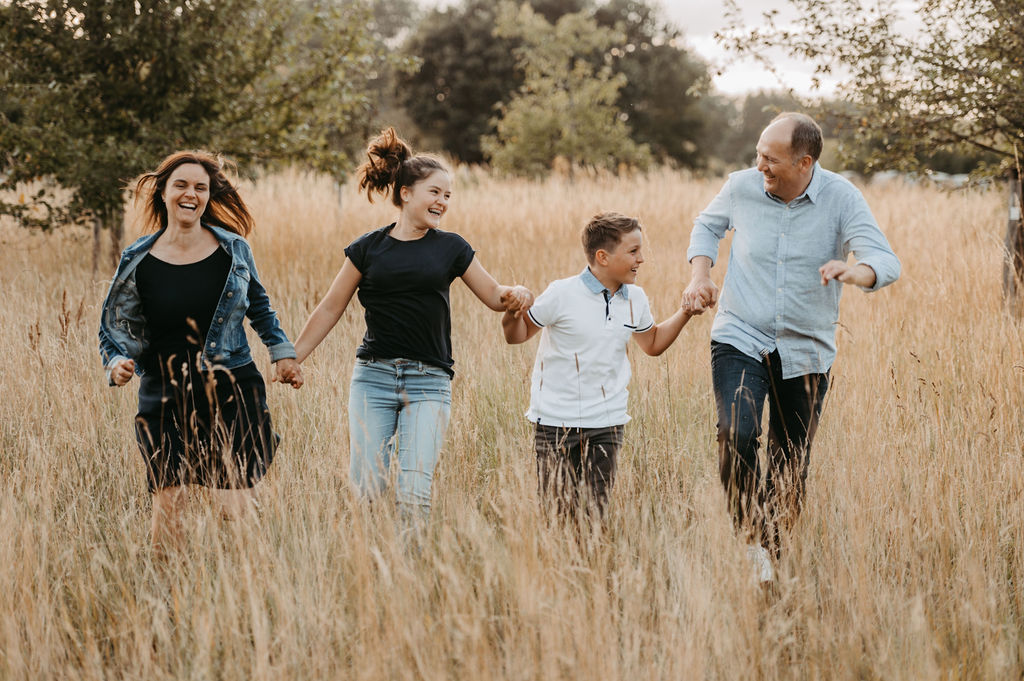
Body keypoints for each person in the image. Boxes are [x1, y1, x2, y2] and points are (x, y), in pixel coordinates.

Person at [682, 112, 900, 582]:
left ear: (805, 162)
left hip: (806, 350)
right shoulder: (741, 186)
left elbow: (884, 260)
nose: (759, 165)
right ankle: (749, 542)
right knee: (736, 433)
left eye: (770, 158)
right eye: (758, 154)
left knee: (790, 464)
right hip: (740, 334)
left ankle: (773, 559)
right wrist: (700, 275)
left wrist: (854, 272)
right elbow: (706, 227)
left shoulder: (841, 197)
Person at [290, 128, 531, 519]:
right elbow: (330, 308)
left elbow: (493, 295)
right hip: (372, 379)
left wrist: (516, 293)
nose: (443, 202)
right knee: (367, 490)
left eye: (448, 196)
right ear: (406, 193)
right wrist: (293, 357)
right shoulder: (367, 248)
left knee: (414, 492)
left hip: (429, 382)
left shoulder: (452, 247)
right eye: (435, 192)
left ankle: (410, 559)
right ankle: (372, 559)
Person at [99, 150, 302, 555]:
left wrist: (282, 353)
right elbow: (116, 327)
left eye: (200, 187)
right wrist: (117, 363)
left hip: (231, 386)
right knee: (168, 499)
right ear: (163, 192)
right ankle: (167, 584)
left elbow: (260, 307)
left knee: (232, 507)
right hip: (163, 392)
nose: (190, 194)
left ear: (209, 195)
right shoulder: (138, 258)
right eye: (181, 185)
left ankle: (244, 583)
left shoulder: (233, 250)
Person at [502, 212, 702, 521]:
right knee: (557, 512)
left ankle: (592, 553)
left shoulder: (635, 298)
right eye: (633, 251)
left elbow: (652, 343)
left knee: (595, 512)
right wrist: (512, 312)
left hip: (607, 421)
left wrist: (685, 312)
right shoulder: (562, 293)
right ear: (602, 257)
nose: (641, 259)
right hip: (555, 422)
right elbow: (517, 335)